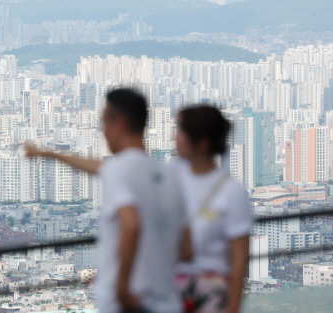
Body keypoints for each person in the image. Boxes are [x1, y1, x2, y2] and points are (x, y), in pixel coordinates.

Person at [25, 88, 191, 313]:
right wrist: (48, 153)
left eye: (103, 124)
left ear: (119, 124)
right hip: (167, 300)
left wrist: (121, 288)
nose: (103, 133)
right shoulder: (169, 175)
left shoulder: (119, 170)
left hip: (129, 303)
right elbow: (187, 248)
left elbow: (132, 224)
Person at [171, 105, 253, 313]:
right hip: (168, 291)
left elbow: (239, 260)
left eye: (182, 132)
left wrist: (232, 308)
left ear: (202, 142)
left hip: (210, 297)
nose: (176, 138)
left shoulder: (231, 192)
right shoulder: (171, 175)